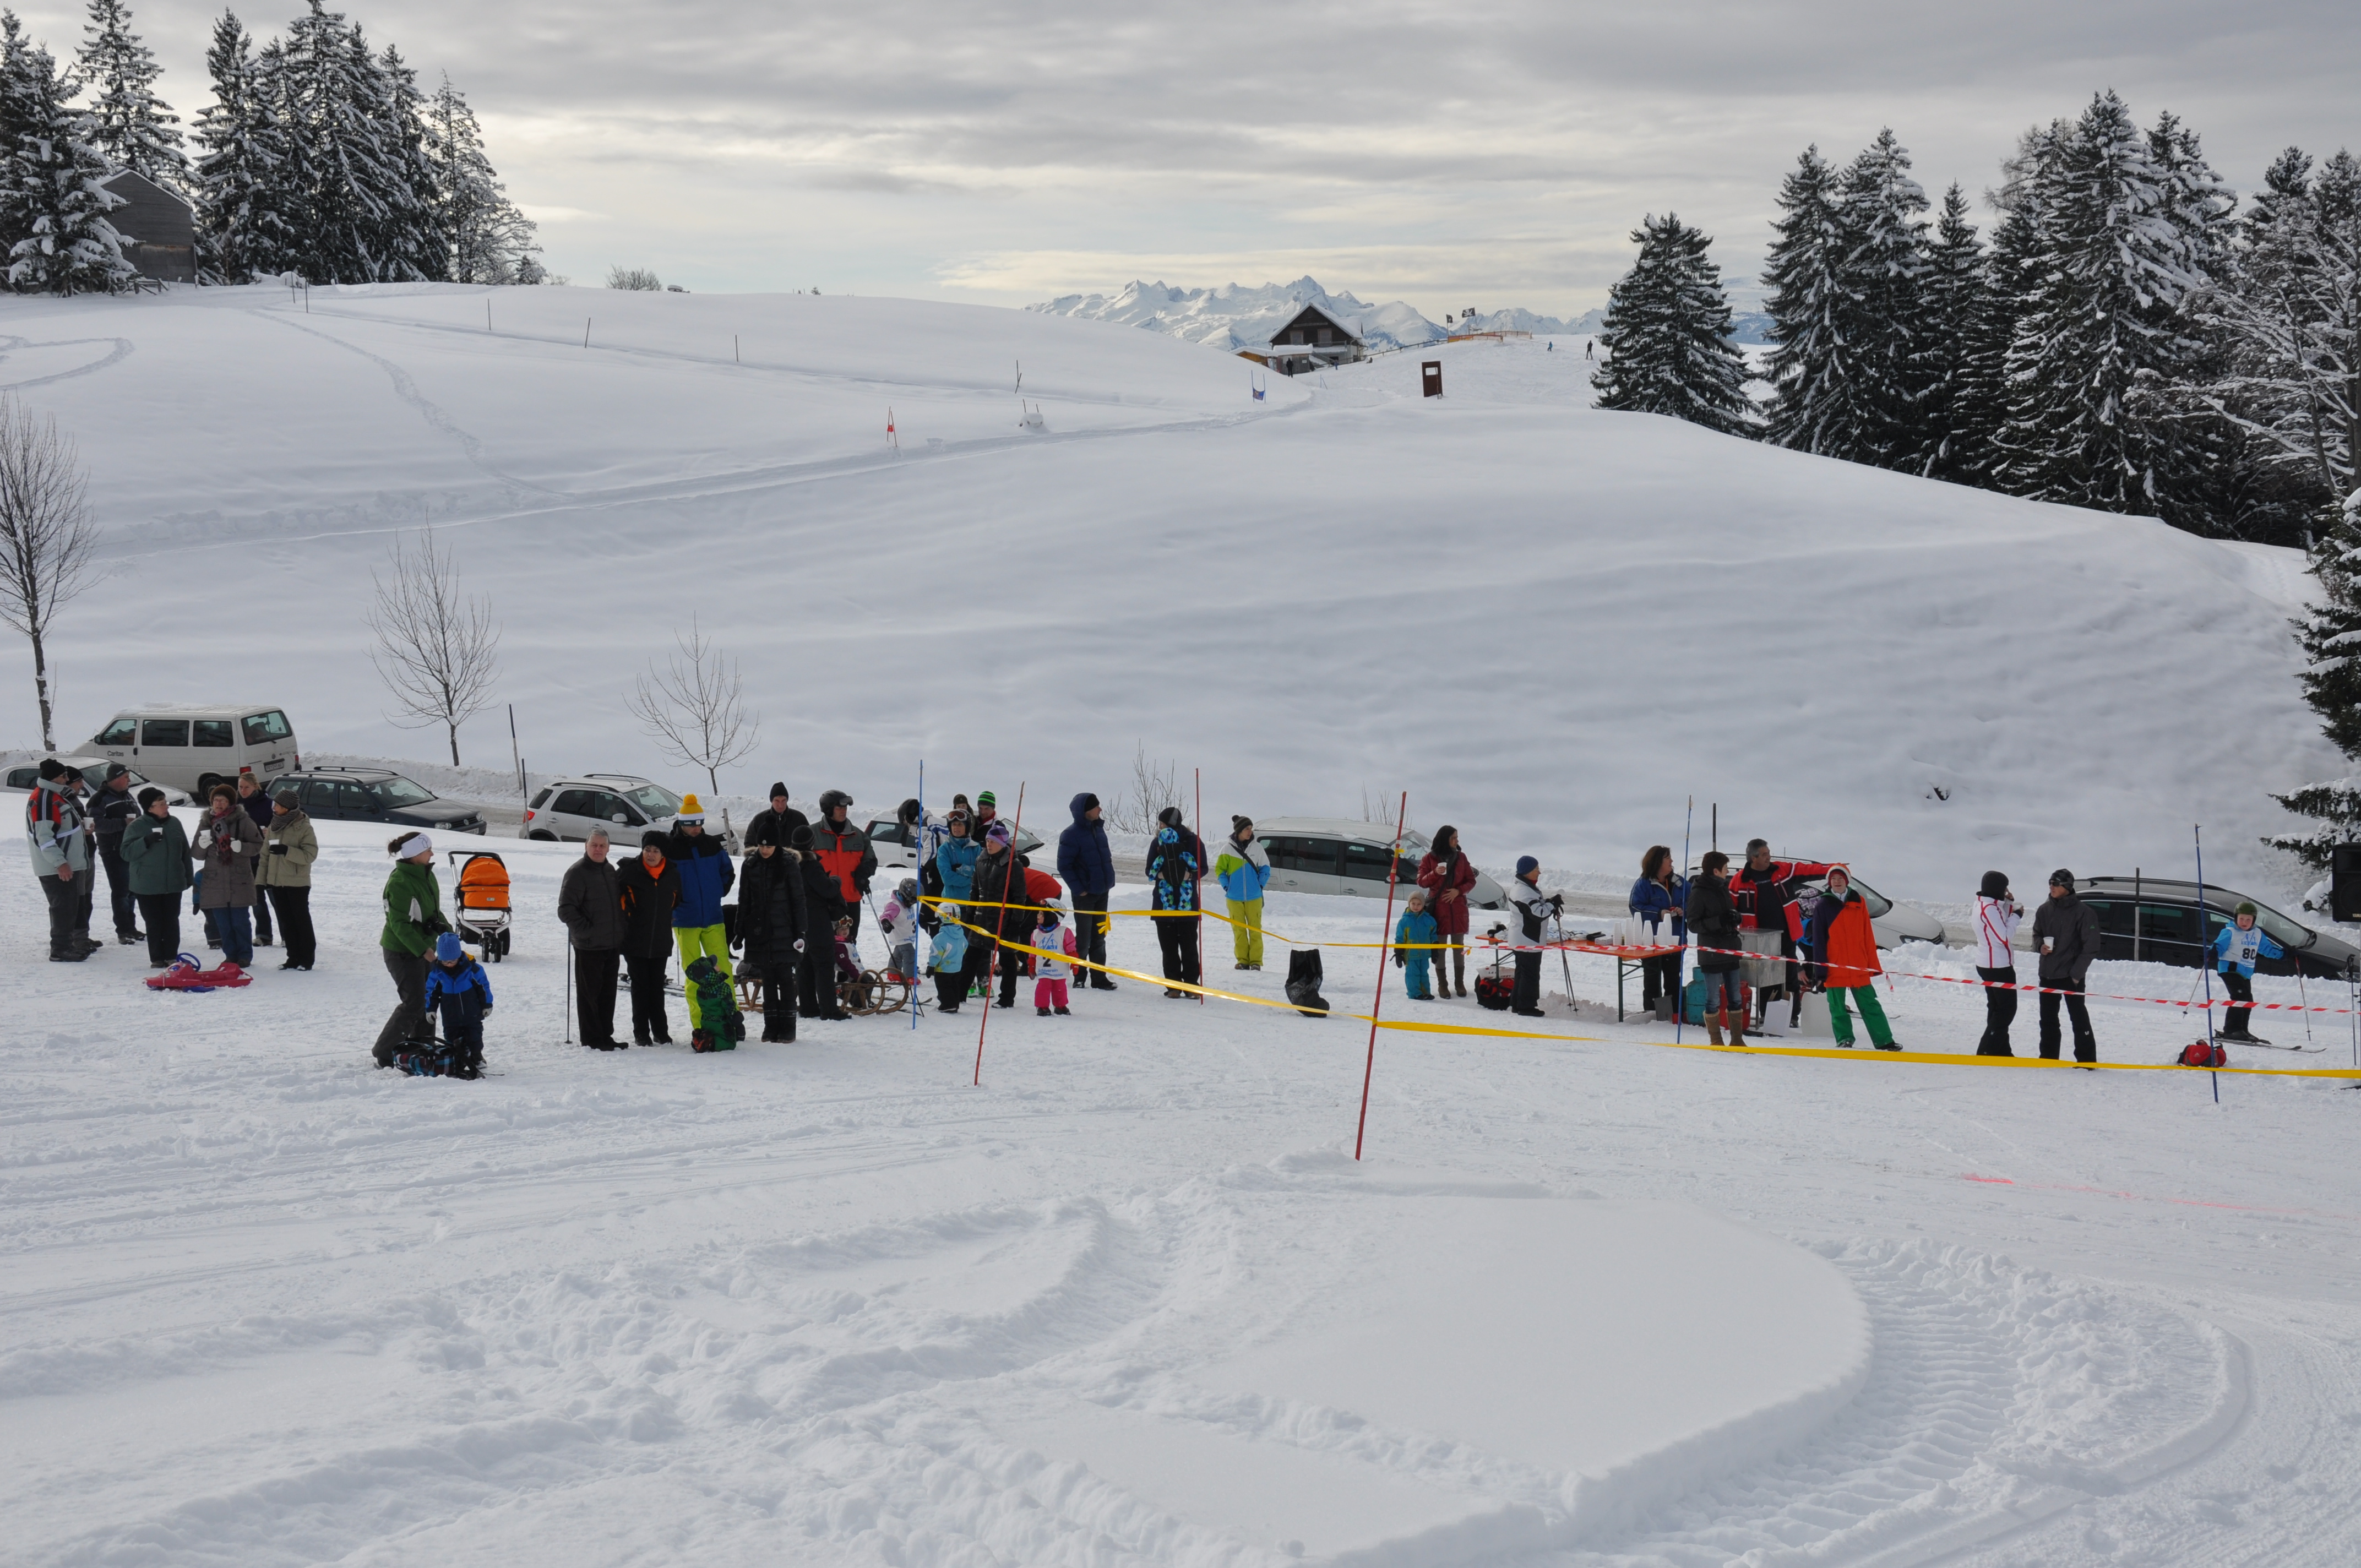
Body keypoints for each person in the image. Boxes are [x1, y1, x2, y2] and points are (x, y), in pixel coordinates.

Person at [666, 794, 737, 1049]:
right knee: (694, 975)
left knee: (723, 971)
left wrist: (717, 892)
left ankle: (731, 1022)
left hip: (714, 919)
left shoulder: (712, 845)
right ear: (682, 824)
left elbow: (727, 872)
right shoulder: (670, 848)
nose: (696, 828)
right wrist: (677, 903)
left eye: (699, 823)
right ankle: (701, 1025)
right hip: (685, 921)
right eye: (691, 824)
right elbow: (665, 882)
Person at [1808, 865, 1900, 1050]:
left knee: (1870, 1005)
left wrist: (1872, 964)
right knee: (1838, 1008)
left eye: (1840, 878)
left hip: (1859, 965)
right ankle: (1844, 1039)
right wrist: (1821, 971)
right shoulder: (1823, 905)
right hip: (1835, 966)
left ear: (1847, 881)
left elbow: (1867, 934)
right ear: (1829, 882)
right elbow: (1819, 940)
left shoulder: (1859, 901)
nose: (1837, 882)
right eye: (1833, 879)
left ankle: (1885, 1041)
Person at [373, 834, 445, 1067]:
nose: (432, 854)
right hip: (402, 952)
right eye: (428, 850)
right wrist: (423, 949)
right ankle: (384, 1052)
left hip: (424, 947)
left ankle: (422, 1047)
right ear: (414, 854)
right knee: (414, 1002)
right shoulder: (400, 882)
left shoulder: (427, 875)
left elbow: (434, 912)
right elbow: (400, 925)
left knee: (428, 1000)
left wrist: (448, 933)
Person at [736, 815, 808, 1042]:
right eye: (761, 845)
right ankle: (770, 1026)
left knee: (785, 979)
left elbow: (798, 900)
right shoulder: (750, 865)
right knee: (767, 979)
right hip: (759, 931)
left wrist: (801, 931)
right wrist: (739, 931)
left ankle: (788, 1027)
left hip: (785, 930)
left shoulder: (788, 864)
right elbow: (744, 900)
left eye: (769, 846)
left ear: (777, 845)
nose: (765, 850)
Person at [558, 827, 626, 1049]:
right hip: (589, 946)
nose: (598, 849)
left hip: (611, 944)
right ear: (586, 846)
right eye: (594, 845)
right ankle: (592, 1039)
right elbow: (566, 909)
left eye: (602, 846)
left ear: (608, 848)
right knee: (590, 996)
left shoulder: (610, 870)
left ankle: (606, 1036)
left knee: (608, 994)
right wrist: (586, 932)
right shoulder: (577, 872)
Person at [26, 758, 94, 961]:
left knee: (69, 906)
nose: (67, 779)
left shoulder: (54, 796)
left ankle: (66, 945)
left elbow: (61, 829)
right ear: (53, 778)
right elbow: (44, 837)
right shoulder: (45, 799)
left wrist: (81, 830)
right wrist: (60, 863)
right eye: (64, 776)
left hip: (64, 864)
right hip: (56, 867)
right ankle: (60, 949)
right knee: (63, 907)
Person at [617, 831, 681, 1046]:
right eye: (647, 850)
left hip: (661, 940)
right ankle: (641, 1033)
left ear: (663, 854)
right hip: (634, 940)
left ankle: (661, 1032)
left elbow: (676, 900)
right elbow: (615, 900)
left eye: (655, 851)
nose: (650, 855)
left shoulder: (672, 873)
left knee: (657, 987)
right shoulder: (628, 872)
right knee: (640, 987)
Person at [2032, 868, 2100, 1064]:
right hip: (2048, 974)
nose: (2051, 887)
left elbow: (2091, 947)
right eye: (2050, 883)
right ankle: (2048, 1059)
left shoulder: (2084, 913)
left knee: (2079, 1020)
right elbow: (2036, 934)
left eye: (2056, 884)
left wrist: (2076, 975)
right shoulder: (2044, 910)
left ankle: (2086, 1061)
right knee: (2048, 1021)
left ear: (2067, 887)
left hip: (2071, 976)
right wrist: (2040, 946)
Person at [191, 783, 264, 966]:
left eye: (223, 800)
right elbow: (197, 854)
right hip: (215, 882)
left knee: (240, 922)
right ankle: (230, 955)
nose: (218, 804)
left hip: (239, 880)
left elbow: (258, 845)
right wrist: (202, 845)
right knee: (223, 923)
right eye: (216, 800)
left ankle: (245, 956)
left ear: (230, 802)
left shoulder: (243, 821)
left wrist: (241, 847)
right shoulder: (206, 823)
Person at [118, 787, 190, 966]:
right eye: (161, 804)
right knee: (154, 923)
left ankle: (171, 956)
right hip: (146, 885)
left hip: (173, 883)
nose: (166, 807)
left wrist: (188, 877)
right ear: (149, 808)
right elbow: (126, 853)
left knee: (172, 921)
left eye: (165, 803)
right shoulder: (137, 826)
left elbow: (185, 852)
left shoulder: (175, 823)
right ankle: (157, 958)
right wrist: (146, 841)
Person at [1732, 839, 1796, 1029]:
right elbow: (1730, 908)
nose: (1769, 857)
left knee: (1789, 974)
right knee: (1766, 977)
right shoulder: (1740, 879)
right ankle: (1767, 1015)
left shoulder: (1780, 870)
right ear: (1754, 858)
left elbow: (1807, 870)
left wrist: (1832, 869)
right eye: (1765, 854)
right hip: (1760, 939)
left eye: (1769, 853)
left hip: (1786, 934)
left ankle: (1792, 1015)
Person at [1057, 793, 1118, 988]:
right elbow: (1064, 866)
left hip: (1102, 892)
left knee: (1099, 937)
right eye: (1095, 807)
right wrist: (1079, 889)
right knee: (1083, 940)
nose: (1100, 810)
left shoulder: (1099, 829)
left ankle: (1099, 978)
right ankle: (1079, 976)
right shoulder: (1070, 835)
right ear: (1084, 811)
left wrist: (1108, 881)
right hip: (1084, 896)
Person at [1684, 851, 1745, 1044]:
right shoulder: (1699, 892)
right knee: (1713, 999)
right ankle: (1716, 1040)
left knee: (1736, 997)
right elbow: (1693, 924)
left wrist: (1735, 917)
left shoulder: (1723, 887)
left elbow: (1728, 913)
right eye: (1726, 868)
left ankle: (1737, 1040)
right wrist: (1719, 921)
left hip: (1730, 950)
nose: (1728, 872)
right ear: (1716, 871)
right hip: (1711, 953)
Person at [258, 785, 320, 971]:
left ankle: (307, 959)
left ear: (287, 808)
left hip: (297, 883)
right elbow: (265, 856)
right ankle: (292, 958)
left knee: (301, 921)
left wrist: (287, 851)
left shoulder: (304, 827)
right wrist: (260, 881)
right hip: (277, 883)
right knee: (287, 921)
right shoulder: (274, 825)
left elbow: (310, 855)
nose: (274, 808)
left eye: (277, 805)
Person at [972, 821, 1033, 1008]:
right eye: (987, 841)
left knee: (1007, 960)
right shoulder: (981, 860)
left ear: (1002, 843)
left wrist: (1015, 921)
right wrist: (971, 913)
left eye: (993, 841)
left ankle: (1007, 998)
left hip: (1005, 919)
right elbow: (975, 889)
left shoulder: (1013, 864)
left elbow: (1020, 896)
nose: (988, 844)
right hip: (983, 917)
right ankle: (959, 994)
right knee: (972, 956)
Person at [1144, 807, 1204, 997]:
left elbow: (1202, 868)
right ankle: (1173, 986)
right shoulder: (1157, 843)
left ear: (1172, 825)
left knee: (1189, 947)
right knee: (1168, 948)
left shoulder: (1193, 841)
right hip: (1164, 904)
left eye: (1163, 823)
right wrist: (1160, 875)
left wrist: (1189, 875)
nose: (1160, 827)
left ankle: (1192, 986)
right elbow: (1149, 870)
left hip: (1187, 904)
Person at [791, 823, 849, 1019]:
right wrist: (836, 881)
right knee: (824, 966)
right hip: (817, 924)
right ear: (811, 844)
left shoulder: (790, 865)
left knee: (804, 966)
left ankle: (808, 1008)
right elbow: (828, 890)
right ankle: (829, 1010)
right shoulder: (812, 866)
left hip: (797, 924)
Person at [1416, 826, 1477, 998]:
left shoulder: (1461, 857)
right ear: (1445, 839)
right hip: (1439, 910)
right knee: (1440, 948)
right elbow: (1421, 882)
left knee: (1459, 948)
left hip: (1458, 909)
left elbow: (1471, 880)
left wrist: (1459, 891)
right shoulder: (1429, 858)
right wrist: (1435, 873)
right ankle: (1442, 984)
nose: (1457, 841)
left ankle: (1460, 983)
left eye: (1457, 837)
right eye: (1453, 838)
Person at [421, 931, 493, 1075]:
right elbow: (431, 993)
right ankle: (457, 1058)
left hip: (471, 1012)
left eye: (452, 961)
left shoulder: (472, 969)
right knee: (452, 1037)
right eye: (445, 962)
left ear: (459, 956)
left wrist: (487, 1004)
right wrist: (430, 1009)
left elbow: (483, 987)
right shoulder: (437, 973)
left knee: (474, 1036)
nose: (449, 964)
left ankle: (477, 1056)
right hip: (450, 1014)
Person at [2212, 902, 2283, 1043]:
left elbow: (2267, 949)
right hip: (2230, 969)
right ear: (2236, 918)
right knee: (2239, 997)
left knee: (2248, 1001)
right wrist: (2213, 952)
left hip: (2245, 972)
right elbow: (2219, 945)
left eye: (2248, 919)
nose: (2244, 922)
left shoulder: (2257, 933)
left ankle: (2243, 1030)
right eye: (2242, 919)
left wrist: (2284, 954)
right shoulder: (2230, 932)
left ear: (2254, 920)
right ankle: (2232, 1031)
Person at [810, 790, 877, 939]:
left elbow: (871, 859)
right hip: (822, 902)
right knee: (822, 944)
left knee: (848, 945)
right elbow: (800, 864)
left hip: (851, 900)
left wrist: (864, 872)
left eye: (845, 807)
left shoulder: (858, 836)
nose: (844, 811)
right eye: (839, 808)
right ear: (828, 810)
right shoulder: (812, 834)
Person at [1629, 846, 1685, 1016]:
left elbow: (1693, 903)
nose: (1672, 861)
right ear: (1657, 862)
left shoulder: (1680, 882)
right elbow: (1635, 907)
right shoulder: (1643, 884)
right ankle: (1652, 1015)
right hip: (1651, 942)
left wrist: (1682, 910)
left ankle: (1672, 1016)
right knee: (1652, 980)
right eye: (1668, 858)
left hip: (1674, 941)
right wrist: (1659, 913)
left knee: (1673, 980)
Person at [90, 763, 143, 945]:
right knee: (121, 891)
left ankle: (131, 927)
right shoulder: (100, 798)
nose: (129, 781)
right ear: (115, 779)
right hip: (113, 850)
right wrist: (122, 823)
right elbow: (95, 823)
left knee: (132, 890)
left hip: (131, 849)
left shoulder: (127, 796)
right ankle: (123, 930)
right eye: (126, 777)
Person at [1973, 871, 2022, 1055]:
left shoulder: (1984, 903)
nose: (2007, 892)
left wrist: (2008, 903)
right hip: (1998, 966)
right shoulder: (1990, 909)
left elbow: (2000, 921)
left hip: (1989, 963)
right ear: (1997, 889)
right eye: (2005, 889)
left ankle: (2002, 1051)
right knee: (2007, 1010)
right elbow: (2004, 936)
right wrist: (2017, 916)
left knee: (1996, 1009)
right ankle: (1987, 1050)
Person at [1214, 816, 1272, 970]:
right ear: (1239, 831)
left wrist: (1260, 885)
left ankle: (1256, 962)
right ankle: (1242, 960)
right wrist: (1227, 886)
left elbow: (1266, 868)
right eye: (1247, 829)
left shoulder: (1257, 848)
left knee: (1255, 930)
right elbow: (1220, 870)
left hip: (1254, 897)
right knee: (1239, 930)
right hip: (1234, 897)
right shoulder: (1227, 849)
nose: (1250, 832)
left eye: (1251, 828)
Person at [1506, 856, 1560, 1016]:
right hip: (1527, 939)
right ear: (1527, 871)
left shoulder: (1525, 888)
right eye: (1536, 869)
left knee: (1522, 972)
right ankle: (1526, 1007)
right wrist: (1552, 905)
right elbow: (1538, 913)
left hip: (1525, 938)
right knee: (1530, 974)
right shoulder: (1524, 892)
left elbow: (1536, 907)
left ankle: (1517, 1004)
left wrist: (1549, 902)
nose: (1539, 872)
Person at [236, 771, 276, 946]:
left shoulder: (268, 804)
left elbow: (280, 824)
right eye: (240, 787)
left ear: (255, 787)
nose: (243, 790)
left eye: (247, 787)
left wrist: (270, 831)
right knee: (257, 900)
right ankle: (264, 935)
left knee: (278, 899)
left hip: (268, 858)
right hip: (248, 859)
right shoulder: (236, 806)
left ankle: (288, 935)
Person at [1033, 901, 1076, 1016]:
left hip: (1059, 968)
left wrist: (1074, 962)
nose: (1038, 916)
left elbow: (1071, 948)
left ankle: (1060, 1006)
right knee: (1043, 987)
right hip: (1043, 968)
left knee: (1060, 987)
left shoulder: (1064, 932)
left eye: (1042, 914)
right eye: (1038, 913)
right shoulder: (1036, 934)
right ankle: (1042, 1007)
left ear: (1052, 916)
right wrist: (1031, 963)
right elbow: (1032, 951)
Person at [1396, 890, 1439, 1001]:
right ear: (1409, 904)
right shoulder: (1404, 921)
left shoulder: (1429, 920)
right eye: (1413, 904)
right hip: (1411, 955)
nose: (1416, 907)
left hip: (1424, 954)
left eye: (1419, 904)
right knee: (1413, 974)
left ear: (1423, 905)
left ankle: (1426, 992)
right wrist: (1399, 953)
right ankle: (1415, 993)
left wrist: (1435, 950)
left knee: (1424, 974)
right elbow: (1400, 938)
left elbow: (1433, 935)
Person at [878, 877, 923, 981]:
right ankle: (910, 976)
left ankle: (893, 973)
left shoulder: (905, 902)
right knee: (910, 953)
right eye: (912, 900)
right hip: (901, 935)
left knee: (898, 954)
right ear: (905, 895)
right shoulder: (895, 905)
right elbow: (886, 915)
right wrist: (885, 922)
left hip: (905, 935)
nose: (913, 903)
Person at [929, 903, 971, 1011]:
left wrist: (931, 965)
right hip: (957, 967)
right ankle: (955, 1003)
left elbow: (936, 953)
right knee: (955, 986)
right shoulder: (961, 934)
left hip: (943, 969)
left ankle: (948, 1005)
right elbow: (965, 946)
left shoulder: (940, 937)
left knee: (944, 986)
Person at [752, 782, 809, 853]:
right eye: (777, 801)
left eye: (783, 801)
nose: (780, 805)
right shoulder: (759, 820)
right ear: (771, 801)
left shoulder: (799, 819)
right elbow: (750, 844)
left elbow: (809, 843)